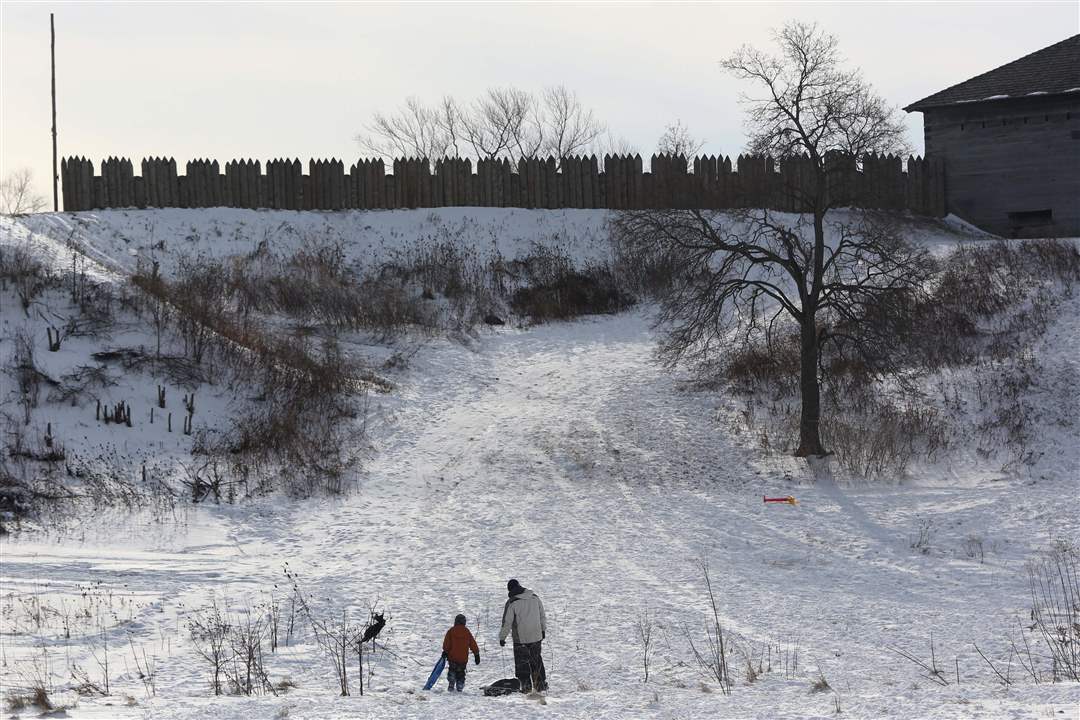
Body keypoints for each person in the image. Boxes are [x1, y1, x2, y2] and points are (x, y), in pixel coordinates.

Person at [499, 578, 548, 692]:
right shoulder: (535, 597)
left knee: (522, 664)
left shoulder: (512, 602)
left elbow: (507, 622)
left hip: (521, 639)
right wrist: (543, 630)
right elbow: (542, 615)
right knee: (536, 660)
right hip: (536, 635)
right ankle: (540, 686)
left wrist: (502, 637)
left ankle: (526, 688)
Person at [442, 613, 480, 692]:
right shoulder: (466, 631)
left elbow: (447, 643)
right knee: (461, 672)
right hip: (463, 658)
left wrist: (445, 651)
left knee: (452, 669)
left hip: (452, 657)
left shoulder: (451, 631)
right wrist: (476, 654)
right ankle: (460, 683)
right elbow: (472, 643)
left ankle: (451, 681)